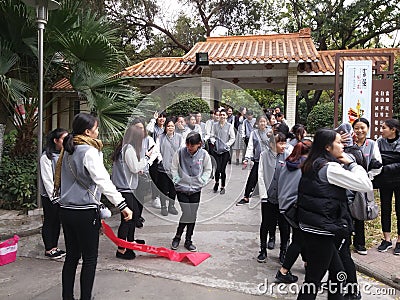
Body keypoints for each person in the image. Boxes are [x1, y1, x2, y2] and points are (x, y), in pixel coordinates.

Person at [55, 113, 132, 300]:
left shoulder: (67, 150)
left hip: (66, 210)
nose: (98, 132)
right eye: (96, 129)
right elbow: (103, 180)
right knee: (89, 259)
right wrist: (122, 205)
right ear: (88, 131)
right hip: (85, 212)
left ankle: (67, 297)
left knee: (72, 257)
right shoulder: (88, 151)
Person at [296, 129, 372, 300]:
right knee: (314, 280)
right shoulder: (329, 168)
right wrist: (352, 164)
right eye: (338, 142)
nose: (343, 145)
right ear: (328, 147)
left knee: (337, 274)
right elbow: (365, 184)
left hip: (313, 227)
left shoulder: (313, 162)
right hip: (321, 230)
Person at [111, 120, 151, 260]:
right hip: (125, 189)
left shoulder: (125, 148)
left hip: (127, 188)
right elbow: (135, 167)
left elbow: (130, 168)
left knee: (132, 217)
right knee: (127, 219)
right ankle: (121, 249)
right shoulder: (128, 149)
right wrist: (147, 157)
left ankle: (130, 242)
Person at [275, 140, 312, 284]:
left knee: (301, 236)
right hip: (296, 207)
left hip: (284, 205)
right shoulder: (305, 167)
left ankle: (307, 262)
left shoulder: (288, 162)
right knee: (299, 239)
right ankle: (283, 271)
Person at [170, 132, 212, 251]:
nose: (189, 148)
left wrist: (202, 180)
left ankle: (188, 240)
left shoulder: (204, 154)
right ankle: (177, 237)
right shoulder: (180, 152)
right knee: (187, 213)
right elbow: (173, 167)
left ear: (199, 144)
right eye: (187, 145)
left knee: (192, 215)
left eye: (192, 146)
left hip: (195, 189)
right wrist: (177, 180)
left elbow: (208, 169)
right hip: (181, 189)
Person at [257, 132, 292, 264]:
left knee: (284, 226)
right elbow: (260, 175)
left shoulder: (288, 155)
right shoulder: (264, 155)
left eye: (285, 143)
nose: (284, 146)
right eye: (280, 143)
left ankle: (283, 251)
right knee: (266, 224)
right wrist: (263, 195)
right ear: (272, 144)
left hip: (283, 199)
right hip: (269, 197)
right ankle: (262, 250)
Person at [351, 118, 382, 255]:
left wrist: (368, 178)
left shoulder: (372, 144)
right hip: (348, 181)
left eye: (362, 127)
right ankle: (345, 241)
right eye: (356, 128)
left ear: (368, 128)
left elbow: (377, 163)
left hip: (363, 182)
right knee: (346, 209)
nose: (359, 131)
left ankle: (359, 243)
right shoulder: (348, 143)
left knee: (360, 209)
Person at [40, 128, 68, 259]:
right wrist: (54, 197)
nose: (67, 141)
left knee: (57, 222)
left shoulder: (64, 154)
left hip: (62, 195)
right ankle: (49, 248)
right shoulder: (46, 157)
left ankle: (54, 247)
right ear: (55, 140)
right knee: (50, 220)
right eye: (64, 138)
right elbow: (47, 180)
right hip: (50, 196)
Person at [374, 118, 400, 255]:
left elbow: (384, 162)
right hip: (384, 181)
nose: (381, 130)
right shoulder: (379, 142)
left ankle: (399, 241)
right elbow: (377, 159)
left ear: (393, 130)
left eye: (384, 128)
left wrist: (387, 165)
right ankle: (387, 239)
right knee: (385, 208)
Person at [236, 115, 270, 206]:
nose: (262, 123)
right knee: (252, 178)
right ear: (257, 123)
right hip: (258, 160)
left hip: (268, 161)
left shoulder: (270, 132)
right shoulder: (253, 133)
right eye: (260, 121)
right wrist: (246, 158)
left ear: (267, 122)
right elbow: (250, 146)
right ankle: (246, 197)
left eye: (264, 121)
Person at [156, 117, 184, 216]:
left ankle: (171, 206)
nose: (170, 128)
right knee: (163, 188)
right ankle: (163, 206)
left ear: (174, 127)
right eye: (168, 126)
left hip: (175, 168)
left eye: (172, 126)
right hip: (163, 168)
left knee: (173, 188)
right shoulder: (160, 137)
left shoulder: (180, 137)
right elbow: (157, 151)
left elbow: (182, 150)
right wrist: (161, 160)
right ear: (165, 127)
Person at [210, 109, 235, 194]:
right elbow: (212, 135)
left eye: (224, 115)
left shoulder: (229, 126)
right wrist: (213, 141)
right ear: (219, 116)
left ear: (226, 116)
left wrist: (227, 145)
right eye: (221, 115)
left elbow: (232, 138)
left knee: (222, 170)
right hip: (216, 150)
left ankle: (223, 186)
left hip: (225, 151)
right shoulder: (215, 125)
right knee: (217, 169)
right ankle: (216, 183)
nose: (222, 117)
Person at [146, 111, 166, 209]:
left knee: (163, 178)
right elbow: (148, 129)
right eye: (160, 117)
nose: (162, 119)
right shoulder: (154, 128)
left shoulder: (166, 129)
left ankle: (162, 196)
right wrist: (153, 119)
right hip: (154, 158)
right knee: (155, 178)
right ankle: (155, 197)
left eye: (163, 117)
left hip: (164, 157)